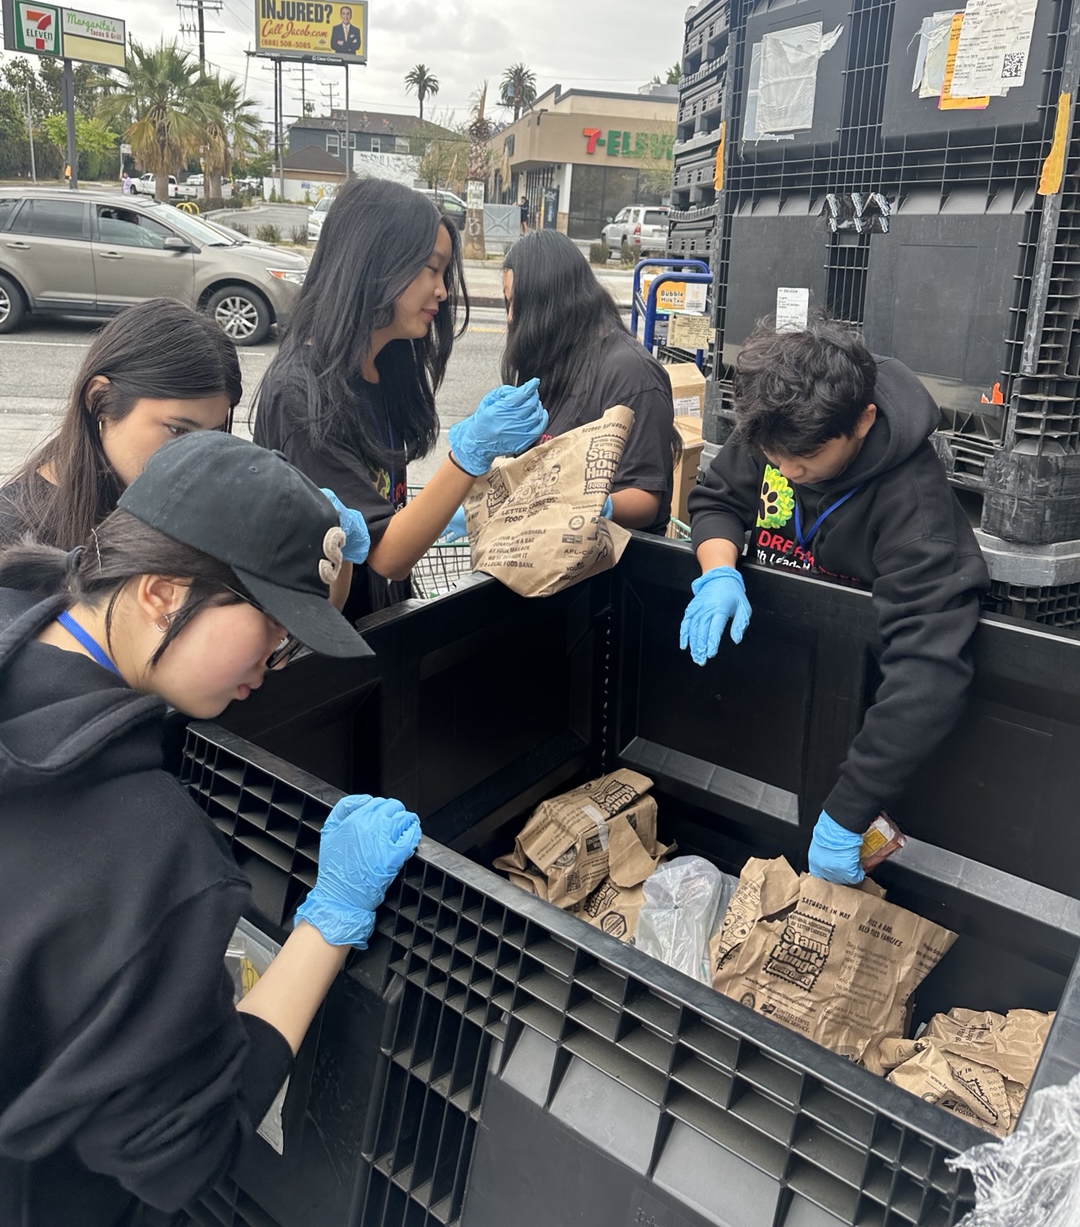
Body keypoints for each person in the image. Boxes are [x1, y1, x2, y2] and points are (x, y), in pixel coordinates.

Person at [0, 430, 421, 1223]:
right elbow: (182, 1154)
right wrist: (328, 924)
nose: (274, 662)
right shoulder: (147, 851)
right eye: (271, 626)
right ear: (162, 592)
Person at [680, 317, 988, 885]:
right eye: (773, 456)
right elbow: (718, 499)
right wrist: (719, 571)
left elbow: (928, 671)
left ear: (863, 421)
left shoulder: (914, 509)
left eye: (806, 459)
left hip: (863, 707)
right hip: (777, 689)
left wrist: (848, 814)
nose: (786, 470)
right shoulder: (778, 427)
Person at [254, 178, 547, 623]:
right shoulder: (300, 393)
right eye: (431, 269)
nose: (442, 291)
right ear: (373, 263)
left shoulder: (381, 365)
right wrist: (468, 456)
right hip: (326, 636)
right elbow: (387, 555)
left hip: (380, 617)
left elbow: (382, 513)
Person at [0, 299, 243, 552]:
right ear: (100, 400)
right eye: (178, 431)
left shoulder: (203, 514)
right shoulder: (14, 539)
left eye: (214, 435)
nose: (198, 463)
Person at [500, 229, 675, 532]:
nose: (511, 317)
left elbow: (644, 500)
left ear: (551, 304)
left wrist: (584, 504)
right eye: (507, 303)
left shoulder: (631, 373)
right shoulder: (554, 360)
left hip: (606, 556)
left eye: (518, 304)